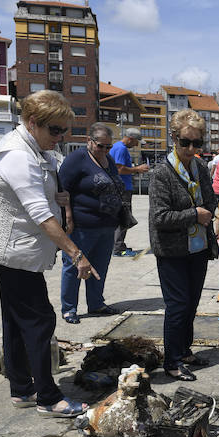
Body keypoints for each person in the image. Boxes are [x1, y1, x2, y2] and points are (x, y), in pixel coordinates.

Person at [0, 90, 95, 418]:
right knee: (39, 319)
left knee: (15, 316)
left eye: (65, 131)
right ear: (33, 122)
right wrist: (76, 254)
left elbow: (47, 191)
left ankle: (22, 389)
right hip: (8, 252)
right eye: (55, 130)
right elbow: (40, 214)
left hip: (15, 250)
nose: (61, 137)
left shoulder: (37, 148)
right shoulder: (16, 155)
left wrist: (61, 199)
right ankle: (49, 399)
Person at [149, 109, 218, 381]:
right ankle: (172, 360)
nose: (191, 148)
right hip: (172, 250)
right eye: (185, 142)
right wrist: (194, 214)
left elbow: (211, 198)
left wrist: (207, 211)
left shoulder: (200, 167)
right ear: (173, 139)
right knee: (177, 306)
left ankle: (185, 350)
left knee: (191, 304)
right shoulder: (162, 173)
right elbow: (159, 217)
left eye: (197, 143)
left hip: (197, 247)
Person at [58, 123, 124, 323]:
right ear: (89, 141)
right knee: (74, 266)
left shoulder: (109, 160)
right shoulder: (77, 159)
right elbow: (62, 189)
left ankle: (96, 303)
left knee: (100, 267)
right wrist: (67, 216)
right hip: (82, 225)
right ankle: (69, 308)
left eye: (108, 147)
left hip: (106, 224)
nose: (104, 150)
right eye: (100, 146)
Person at [109, 127, 149, 257]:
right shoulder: (121, 149)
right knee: (124, 217)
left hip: (118, 187)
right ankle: (118, 248)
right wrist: (137, 169)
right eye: (137, 141)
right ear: (130, 139)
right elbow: (119, 169)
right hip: (123, 188)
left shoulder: (116, 146)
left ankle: (116, 245)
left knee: (119, 217)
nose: (137, 144)